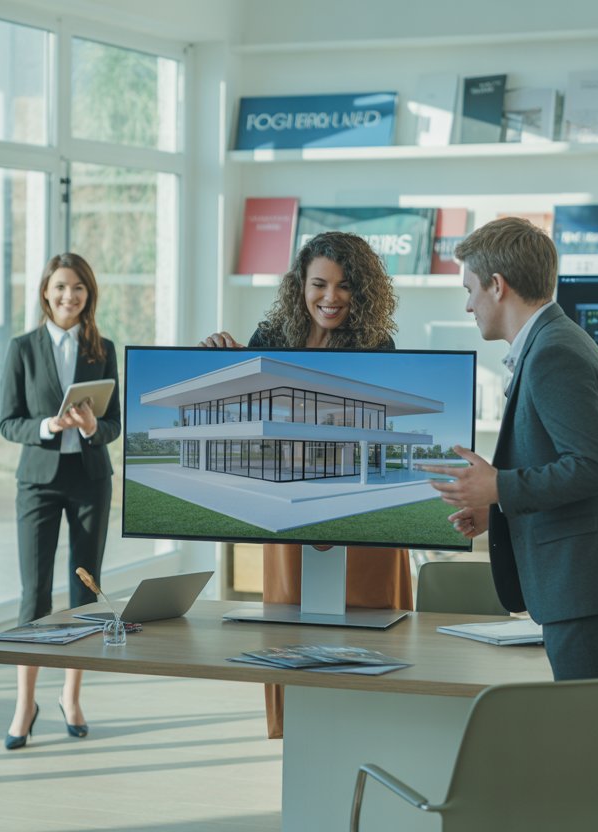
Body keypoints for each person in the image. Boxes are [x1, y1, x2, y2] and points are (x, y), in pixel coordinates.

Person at [420, 217, 598, 831]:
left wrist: (500, 485)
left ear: (499, 285)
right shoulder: (549, 342)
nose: (468, 302)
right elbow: (567, 464)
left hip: (590, 594)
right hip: (589, 592)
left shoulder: (554, 352)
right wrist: (494, 504)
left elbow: (592, 466)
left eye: (470, 288)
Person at [200, 230, 411, 739]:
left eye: (344, 287)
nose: (331, 298)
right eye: (319, 284)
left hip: (356, 513)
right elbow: (239, 415)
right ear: (301, 285)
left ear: (362, 292)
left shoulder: (377, 346)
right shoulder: (270, 338)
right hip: (291, 510)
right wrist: (213, 359)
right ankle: (305, 751)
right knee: (291, 629)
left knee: (365, 633)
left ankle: (365, 736)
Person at [0, 253, 121, 749]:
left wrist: (94, 428)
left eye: (79, 289)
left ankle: (71, 696)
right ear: (45, 292)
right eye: (61, 287)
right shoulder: (22, 349)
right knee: (35, 596)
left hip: (91, 478)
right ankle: (24, 702)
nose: (70, 296)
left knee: (85, 595)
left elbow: (114, 424)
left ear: (89, 296)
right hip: (39, 482)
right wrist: (50, 425)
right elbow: (8, 422)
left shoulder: (103, 348)